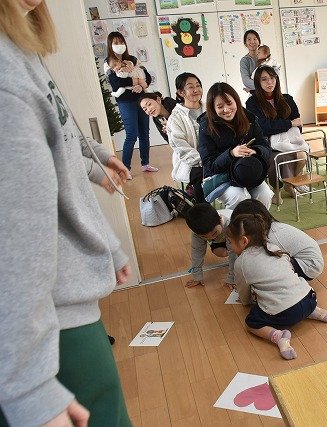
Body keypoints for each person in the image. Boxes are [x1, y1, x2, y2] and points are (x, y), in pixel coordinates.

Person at [0, 1, 132, 425]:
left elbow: (57, 145)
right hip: (41, 327)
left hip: (58, 309)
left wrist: (96, 161)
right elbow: (18, 232)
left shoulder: (21, 46)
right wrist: (30, 388)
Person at [228, 213, 327, 360]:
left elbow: (243, 291)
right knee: (293, 294)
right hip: (310, 298)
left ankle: (279, 336)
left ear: (244, 241)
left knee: (251, 323)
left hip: (286, 314)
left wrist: (246, 302)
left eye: (230, 242)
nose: (230, 247)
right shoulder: (273, 247)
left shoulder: (241, 263)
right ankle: (314, 311)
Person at [197, 82, 273, 210]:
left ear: (236, 101)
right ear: (212, 108)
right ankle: (238, 223)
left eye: (229, 103)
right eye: (220, 106)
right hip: (221, 176)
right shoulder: (206, 126)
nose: (226, 110)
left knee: (264, 194)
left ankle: (259, 222)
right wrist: (231, 154)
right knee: (239, 197)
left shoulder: (249, 119)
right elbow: (209, 165)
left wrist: (256, 150)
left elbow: (266, 148)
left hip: (246, 171)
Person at [245, 65, 307, 202]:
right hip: (266, 143)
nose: (269, 82)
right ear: (258, 82)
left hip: (289, 141)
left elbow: (298, 123)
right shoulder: (252, 103)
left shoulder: (287, 99)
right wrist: (289, 124)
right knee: (278, 159)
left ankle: (289, 184)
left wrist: (282, 126)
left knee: (302, 155)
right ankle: (276, 190)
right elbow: (263, 127)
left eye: (272, 78)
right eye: (264, 79)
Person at [230, 199, 324, 282]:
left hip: (309, 265)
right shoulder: (268, 228)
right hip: (305, 260)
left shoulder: (271, 237)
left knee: (263, 261)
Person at [105, 31, 158, 178]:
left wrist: (141, 85)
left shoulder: (133, 59)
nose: (119, 45)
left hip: (141, 99)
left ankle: (145, 164)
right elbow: (116, 83)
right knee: (131, 135)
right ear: (110, 45)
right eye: (116, 43)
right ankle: (125, 169)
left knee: (144, 133)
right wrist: (136, 81)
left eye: (121, 42)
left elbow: (147, 76)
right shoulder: (108, 62)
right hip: (125, 101)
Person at [167, 72, 205, 202]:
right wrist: (206, 161)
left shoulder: (210, 109)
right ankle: (203, 211)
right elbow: (181, 148)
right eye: (190, 87)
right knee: (201, 175)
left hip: (214, 159)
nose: (196, 90)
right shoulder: (175, 118)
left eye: (198, 85)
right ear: (181, 92)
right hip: (191, 164)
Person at [184, 203, 233, 288]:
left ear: (220, 220)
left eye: (214, 233)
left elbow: (233, 253)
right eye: (204, 237)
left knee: (237, 252)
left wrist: (232, 278)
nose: (211, 238)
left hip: (237, 236)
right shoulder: (197, 233)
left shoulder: (231, 225)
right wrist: (197, 276)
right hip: (221, 238)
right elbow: (197, 252)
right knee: (219, 252)